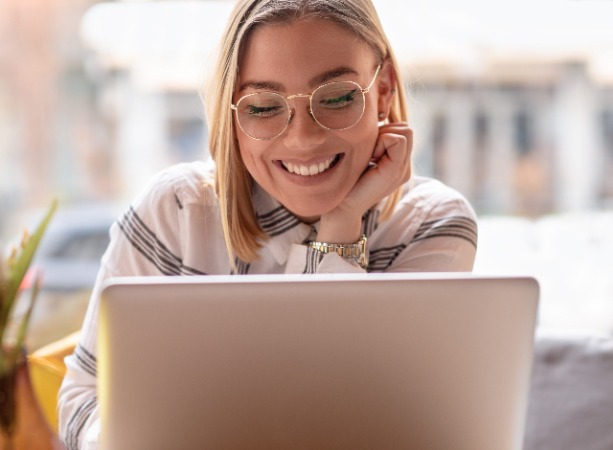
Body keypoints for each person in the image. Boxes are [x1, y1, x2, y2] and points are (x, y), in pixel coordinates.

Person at [58, 0, 478, 448]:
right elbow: (85, 397)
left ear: (384, 90)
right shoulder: (176, 211)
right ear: (232, 113)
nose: (303, 138)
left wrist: (340, 228)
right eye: (262, 107)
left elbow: (354, 420)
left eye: (337, 97)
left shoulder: (430, 224)